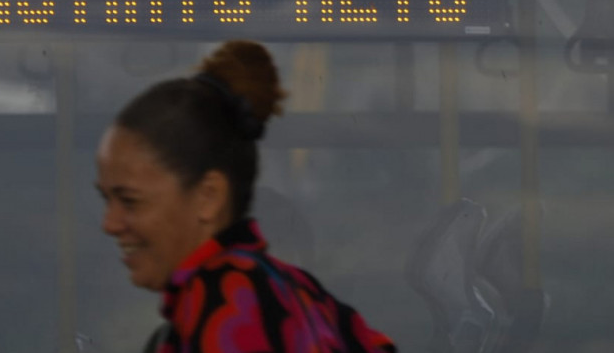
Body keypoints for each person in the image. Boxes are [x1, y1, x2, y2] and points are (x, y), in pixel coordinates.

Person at [95, 39, 397, 353]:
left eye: (130, 200)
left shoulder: (222, 304)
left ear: (208, 197)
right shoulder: (298, 291)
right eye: (107, 200)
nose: (110, 224)